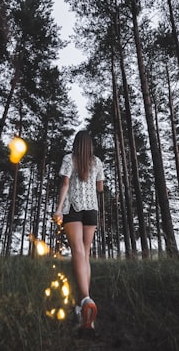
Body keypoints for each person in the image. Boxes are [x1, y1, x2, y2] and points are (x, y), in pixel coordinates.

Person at [53, 130, 104, 330]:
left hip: (73, 208)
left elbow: (65, 184)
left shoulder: (69, 158)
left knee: (78, 252)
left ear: (76, 144)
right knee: (85, 254)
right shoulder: (97, 162)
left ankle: (85, 300)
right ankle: (81, 306)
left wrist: (58, 209)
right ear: (90, 145)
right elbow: (100, 188)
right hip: (91, 210)